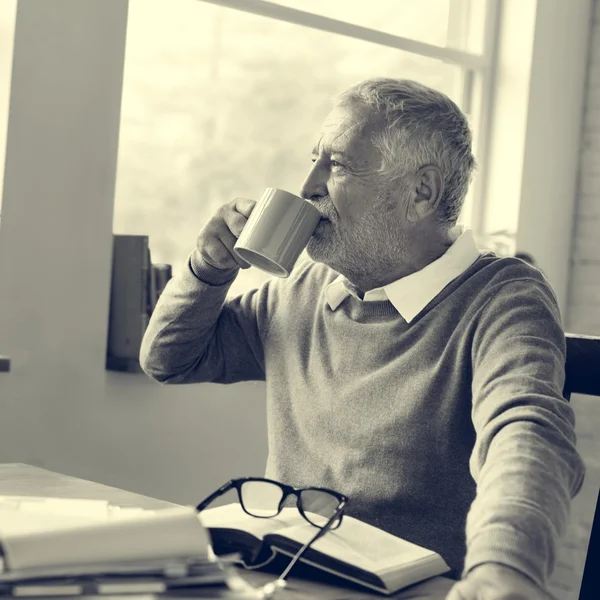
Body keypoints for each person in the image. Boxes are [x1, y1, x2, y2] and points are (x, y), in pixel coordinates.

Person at [140, 78, 585, 599]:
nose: (307, 185)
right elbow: (171, 360)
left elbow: (526, 434)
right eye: (313, 160)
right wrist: (208, 268)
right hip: (282, 577)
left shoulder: (502, 296)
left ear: (421, 192)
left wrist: (506, 569)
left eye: (338, 166)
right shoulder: (306, 289)